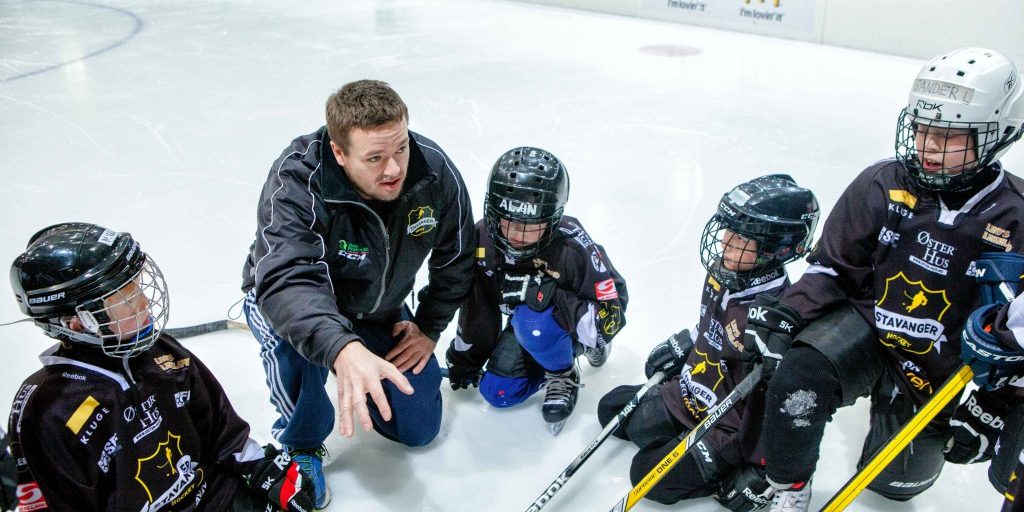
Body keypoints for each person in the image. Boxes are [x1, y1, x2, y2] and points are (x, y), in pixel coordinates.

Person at [739, 47, 1024, 512]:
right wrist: (790, 310)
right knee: (800, 374)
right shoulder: (883, 182)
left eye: (949, 135)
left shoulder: (1017, 216)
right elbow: (833, 266)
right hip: (870, 326)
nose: (928, 146)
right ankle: (789, 486)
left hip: (938, 365)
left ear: (1001, 134)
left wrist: (994, 409)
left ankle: (891, 406)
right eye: (923, 129)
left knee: (895, 486)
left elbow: (1018, 331)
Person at [241, 79, 475, 507]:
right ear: (339, 152)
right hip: (300, 304)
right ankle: (302, 443)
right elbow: (289, 279)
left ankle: (353, 358)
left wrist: (428, 327)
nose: (394, 169)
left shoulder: (434, 171)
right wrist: (341, 348)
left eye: (401, 148)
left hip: (378, 308)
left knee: (419, 428)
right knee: (296, 342)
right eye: (375, 158)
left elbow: (456, 256)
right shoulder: (297, 178)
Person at [5, 222, 316, 512]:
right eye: (125, 300)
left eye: (136, 288)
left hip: (211, 496)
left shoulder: (161, 352)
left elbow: (220, 429)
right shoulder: (49, 413)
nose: (143, 302)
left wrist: (260, 467)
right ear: (78, 323)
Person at [597, 175, 819, 510]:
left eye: (740, 237)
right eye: (728, 230)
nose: (726, 241)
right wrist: (688, 343)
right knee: (612, 408)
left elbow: (778, 404)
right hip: (689, 394)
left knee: (645, 474)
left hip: (726, 425)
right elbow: (711, 325)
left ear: (776, 250)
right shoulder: (722, 273)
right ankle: (681, 440)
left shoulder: (775, 318)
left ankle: (725, 471)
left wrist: (763, 468)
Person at [445, 147, 628, 434]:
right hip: (527, 323)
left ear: (552, 218)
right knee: (497, 393)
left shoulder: (572, 246)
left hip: (556, 322)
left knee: (533, 322)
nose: (518, 235)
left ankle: (564, 371)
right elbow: (478, 307)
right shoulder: (483, 239)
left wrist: (550, 295)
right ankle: (546, 348)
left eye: (531, 225)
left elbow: (611, 315)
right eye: (510, 221)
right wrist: (466, 359)